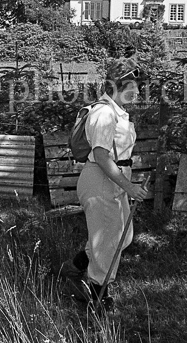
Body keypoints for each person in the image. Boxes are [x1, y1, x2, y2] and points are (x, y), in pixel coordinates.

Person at [63, 59, 150, 310]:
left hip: (113, 179)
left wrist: (126, 184)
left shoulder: (117, 112)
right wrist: (130, 187)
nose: (137, 92)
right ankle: (97, 294)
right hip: (100, 180)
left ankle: (76, 267)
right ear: (115, 86)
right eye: (132, 86)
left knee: (123, 236)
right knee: (109, 241)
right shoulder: (104, 113)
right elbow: (101, 156)